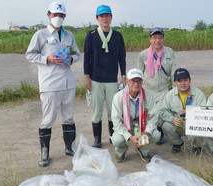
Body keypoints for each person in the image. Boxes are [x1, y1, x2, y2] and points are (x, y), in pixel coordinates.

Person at [25, 1, 81, 167]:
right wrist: (46, 59)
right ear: (48, 15)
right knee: (48, 119)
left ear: (65, 17)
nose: (58, 18)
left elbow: (77, 54)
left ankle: (70, 147)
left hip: (68, 83)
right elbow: (29, 54)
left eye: (61, 15)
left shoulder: (69, 35)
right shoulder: (40, 35)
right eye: (55, 14)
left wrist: (71, 59)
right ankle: (44, 152)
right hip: (49, 84)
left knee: (69, 117)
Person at [83, 4, 127, 148]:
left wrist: (123, 75)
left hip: (112, 80)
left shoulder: (117, 36)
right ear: (97, 18)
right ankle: (97, 139)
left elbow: (122, 56)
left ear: (111, 17)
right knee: (96, 112)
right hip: (95, 79)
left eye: (107, 15)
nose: (104, 18)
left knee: (112, 112)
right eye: (101, 16)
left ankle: (112, 136)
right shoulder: (91, 35)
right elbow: (87, 57)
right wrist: (86, 76)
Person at [110, 69, 161, 163]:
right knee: (117, 139)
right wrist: (129, 137)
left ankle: (143, 150)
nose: (136, 84)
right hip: (125, 126)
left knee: (156, 135)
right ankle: (121, 152)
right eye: (133, 81)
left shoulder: (148, 96)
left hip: (142, 126)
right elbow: (116, 120)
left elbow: (153, 117)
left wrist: (146, 133)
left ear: (142, 82)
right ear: (127, 82)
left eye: (139, 81)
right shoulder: (118, 97)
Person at [137, 27, 177, 145]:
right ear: (150, 39)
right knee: (148, 114)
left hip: (164, 90)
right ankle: (149, 133)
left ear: (163, 39)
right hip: (147, 90)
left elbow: (173, 70)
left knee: (159, 113)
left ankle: (159, 132)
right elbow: (139, 73)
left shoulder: (169, 52)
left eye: (160, 38)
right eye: (154, 38)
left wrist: (177, 85)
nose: (157, 41)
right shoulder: (142, 55)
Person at [159, 68, 207, 153]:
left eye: (185, 80)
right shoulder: (170, 95)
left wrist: (191, 113)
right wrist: (172, 119)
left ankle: (197, 146)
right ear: (174, 82)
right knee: (166, 125)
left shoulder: (199, 94)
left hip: (194, 123)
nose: (182, 83)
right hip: (178, 123)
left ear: (190, 80)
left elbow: (205, 112)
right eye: (179, 81)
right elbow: (163, 111)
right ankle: (177, 143)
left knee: (201, 126)